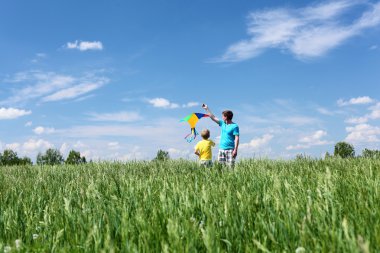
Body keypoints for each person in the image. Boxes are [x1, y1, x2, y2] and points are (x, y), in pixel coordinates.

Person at [202, 104, 239, 168]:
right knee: (220, 168)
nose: (222, 117)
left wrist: (235, 150)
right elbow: (213, 117)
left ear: (226, 117)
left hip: (230, 150)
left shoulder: (235, 126)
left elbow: (236, 138)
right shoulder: (222, 123)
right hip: (221, 149)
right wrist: (206, 109)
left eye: (223, 116)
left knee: (231, 168)